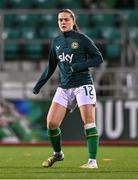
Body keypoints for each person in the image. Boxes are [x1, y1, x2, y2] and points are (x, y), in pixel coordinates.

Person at [33, 9, 103, 168]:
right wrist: (39, 84)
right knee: (51, 123)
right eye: (60, 20)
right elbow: (51, 67)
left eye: (66, 19)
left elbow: (98, 58)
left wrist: (79, 66)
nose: (63, 22)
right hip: (64, 87)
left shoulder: (82, 39)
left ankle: (92, 161)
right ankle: (57, 154)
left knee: (89, 122)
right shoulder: (56, 41)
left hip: (83, 84)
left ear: (73, 21)